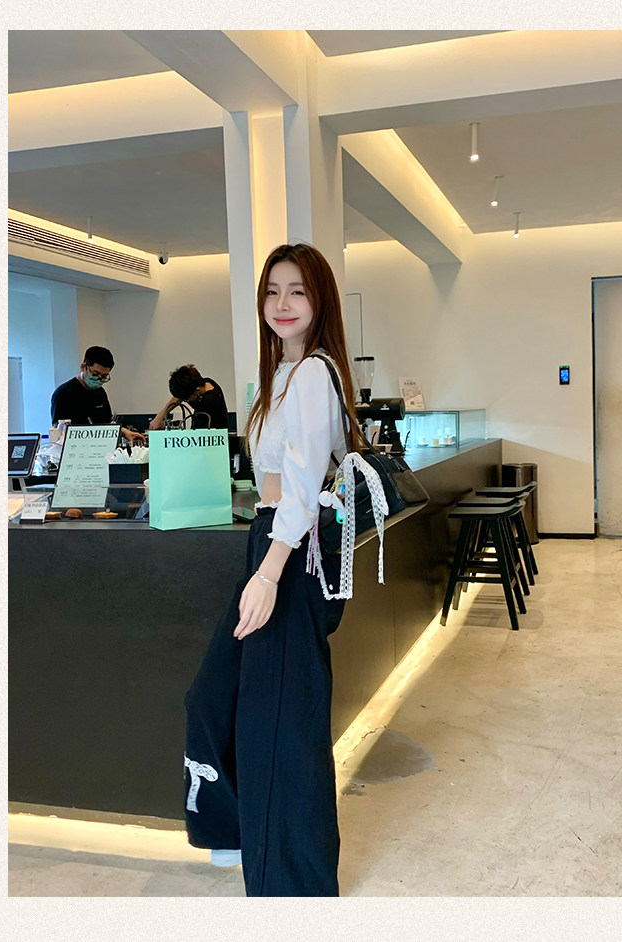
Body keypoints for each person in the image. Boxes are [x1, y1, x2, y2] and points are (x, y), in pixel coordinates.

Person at [183, 243, 366, 897]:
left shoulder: (314, 373)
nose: (282, 304)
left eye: (298, 291)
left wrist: (267, 573)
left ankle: (294, 883)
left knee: (285, 721)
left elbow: (304, 485)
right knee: (219, 697)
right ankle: (238, 832)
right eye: (272, 291)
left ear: (320, 302)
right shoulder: (282, 374)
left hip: (290, 550)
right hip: (272, 541)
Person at [50, 346, 144, 444]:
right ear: (83, 367)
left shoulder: (100, 392)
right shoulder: (63, 394)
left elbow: (106, 425)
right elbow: (59, 432)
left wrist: (124, 432)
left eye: (104, 376)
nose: (99, 379)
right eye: (95, 374)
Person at [148, 365, 228, 431]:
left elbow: (197, 435)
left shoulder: (209, 402)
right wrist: (160, 416)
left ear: (197, 390)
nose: (185, 401)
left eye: (186, 399)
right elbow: (178, 398)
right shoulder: (206, 382)